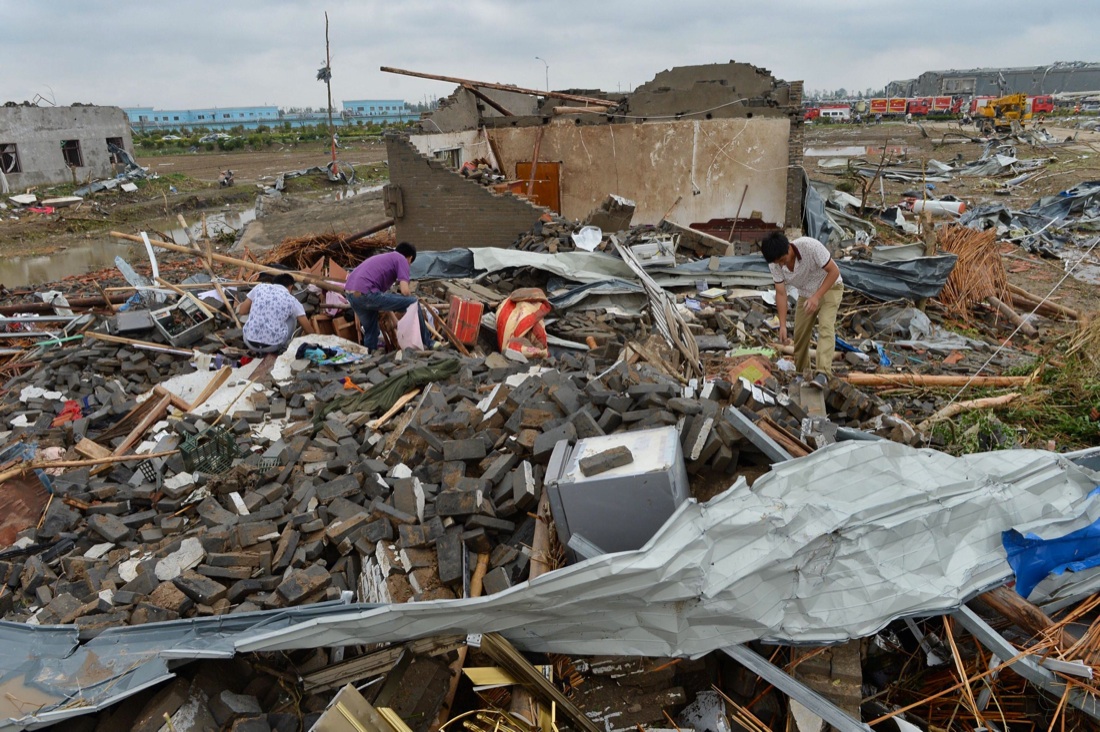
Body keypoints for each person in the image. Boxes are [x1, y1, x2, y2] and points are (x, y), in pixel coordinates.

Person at [760, 232, 844, 375]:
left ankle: (823, 373)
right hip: (806, 294)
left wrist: (816, 297)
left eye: (782, 260)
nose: (781, 264)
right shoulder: (775, 264)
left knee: (825, 326)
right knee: (799, 336)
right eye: (778, 262)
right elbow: (781, 293)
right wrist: (782, 325)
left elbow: (834, 271)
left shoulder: (810, 247)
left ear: (788, 248)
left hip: (830, 287)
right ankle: (803, 374)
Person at [344, 242, 435, 351]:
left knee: (371, 331)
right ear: (410, 258)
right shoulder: (401, 259)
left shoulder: (384, 259)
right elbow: (405, 291)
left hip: (351, 294)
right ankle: (428, 342)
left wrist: (395, 319)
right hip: (367, 293)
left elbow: (382, 301)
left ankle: (370, 355)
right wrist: (409, 302)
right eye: (410, 263)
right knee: (413, 302)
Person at [238, 272, 314, 354]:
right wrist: (316, 340)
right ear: (291, 286)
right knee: (293, 316)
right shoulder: (292, 300)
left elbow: (242, 311)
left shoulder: (259, 287)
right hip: (272, 346)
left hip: (249, 341)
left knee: (256, 312)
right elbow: (307, 328)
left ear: (273, 282)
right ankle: (282, 346)